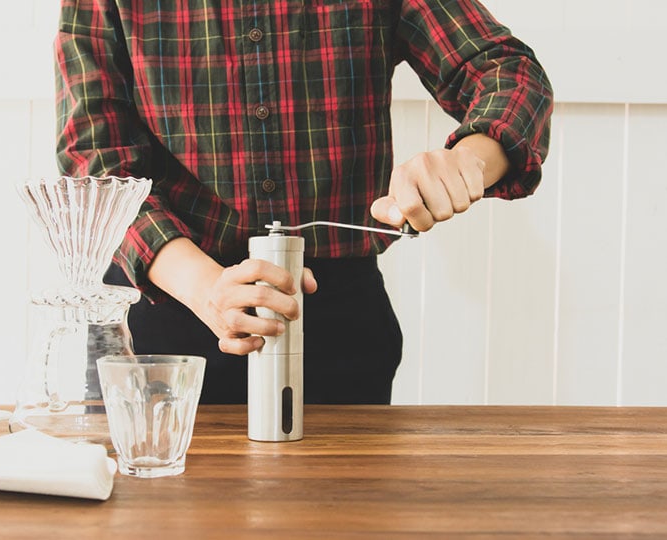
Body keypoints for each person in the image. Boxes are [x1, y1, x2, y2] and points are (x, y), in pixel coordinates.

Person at [55, 0, 553, 404]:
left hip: (339, 325)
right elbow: (94, 159)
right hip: (166, 318)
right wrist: (208, 289)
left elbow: (506, 71)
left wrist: (469, 158)